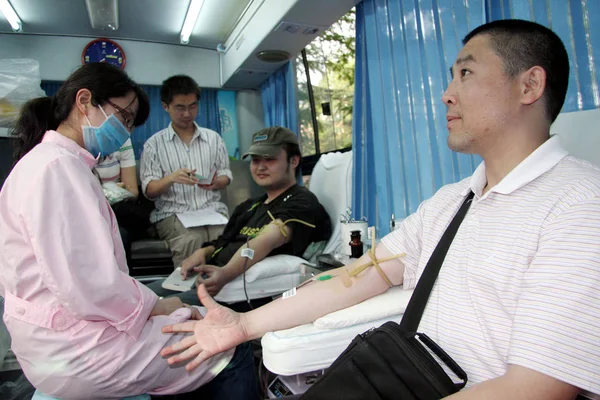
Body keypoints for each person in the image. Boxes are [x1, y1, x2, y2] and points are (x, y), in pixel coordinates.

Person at [160, 20, 600, 399]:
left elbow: (537, 388)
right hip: (413, 377)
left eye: (466, 73)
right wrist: (243, 326)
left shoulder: (579, 206)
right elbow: (362, 274)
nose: (447, 94)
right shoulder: (450, 203)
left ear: (529, 85)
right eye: (450, 77)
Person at [0, 63, 257, 399]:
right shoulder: (59, 169)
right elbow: (88, 284)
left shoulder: (49, 163)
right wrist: (155, 306)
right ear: (84, 101)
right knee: (227, 346)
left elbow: (83, 278)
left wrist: (155, 304)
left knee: (187, 309)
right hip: (77, 349)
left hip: (56, 334)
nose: (125, 130)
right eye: (123, 117)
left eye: (130, 123)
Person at [148, 126, 332, 312]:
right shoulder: (250, 206)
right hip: (204, 276)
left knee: (148, 310)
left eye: (270, 159)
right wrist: (202, 253)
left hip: (228, 291)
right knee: (141, 293)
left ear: (293, 161)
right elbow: (223, 241)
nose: (260, 167)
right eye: (255, 160)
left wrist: (226, 274)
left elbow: (269, 238)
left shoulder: (302, 202)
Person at [140, 75, 232, 266]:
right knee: (191, 240)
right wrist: (171, 178)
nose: (187, 114)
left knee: (226, 238)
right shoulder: (154, 145)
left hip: (211, 209)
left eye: (192, 106)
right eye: (180, 107)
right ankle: (189, 293)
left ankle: (227, 291)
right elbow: (149, 190)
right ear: (166, 106)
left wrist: (217, 182)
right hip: (174, 213)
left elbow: (226, 175)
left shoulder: (213, 139)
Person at [95, 139, 152, 261]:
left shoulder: (122, 140)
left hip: (116, 209)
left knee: (120, 234)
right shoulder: (78, 145)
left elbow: (133, 192)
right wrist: (108, 190)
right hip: (89, 210)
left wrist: (118, 190)